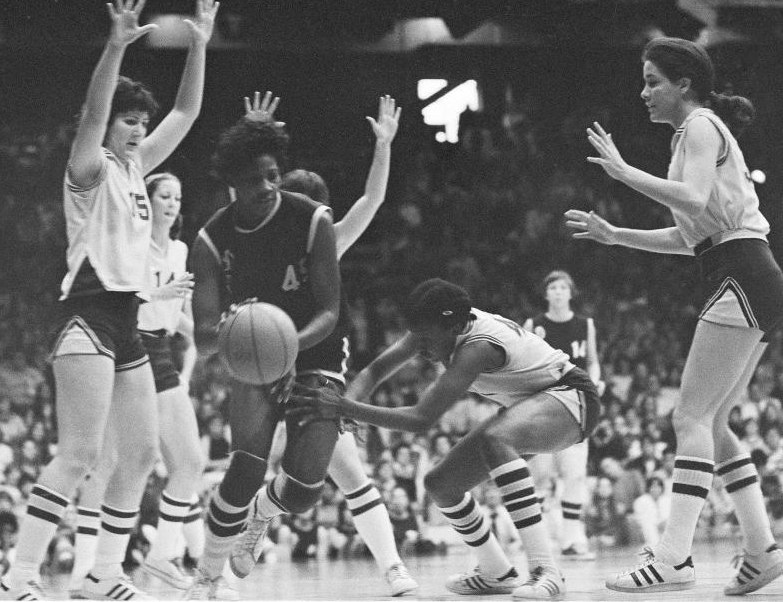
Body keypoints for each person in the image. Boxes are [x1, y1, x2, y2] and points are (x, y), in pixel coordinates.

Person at [1, 0, 217, 601]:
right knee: (78, 454)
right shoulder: (89, 169)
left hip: (129, 322)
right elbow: (95, 112)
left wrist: (199, 46)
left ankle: (104, 573)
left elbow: (187, 115)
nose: (137, 129)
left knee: (143, 455)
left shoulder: (136, 168)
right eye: (130, 120)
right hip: (87, 318)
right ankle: (19, 575)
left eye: (140, 123)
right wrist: (115, 47)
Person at [565, 36, 783, 595]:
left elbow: (690, 200)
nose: (643, 92)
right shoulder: (692, 137)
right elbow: (691, 235)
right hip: (745, 269)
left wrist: (622, 173)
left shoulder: (700, 126)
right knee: (712, 424)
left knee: (687, 419)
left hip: (741, 270)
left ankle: (673, 559)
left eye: (652, 81)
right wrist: (618, 236)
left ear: (683, 84)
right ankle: (761, 551)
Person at [290, 278, 602, 600]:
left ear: (453, 326)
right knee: (441, 484)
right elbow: (375, 370)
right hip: (531, 404)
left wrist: (343, 405)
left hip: (573, 397)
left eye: (425, 339)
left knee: (497, 440)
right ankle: (496, 570)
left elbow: (421, 419)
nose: (421, 348)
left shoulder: (478, 347)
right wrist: (347, 410)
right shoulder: (436, 324)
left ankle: (545, 570)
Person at [262, 93, 418, 596]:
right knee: (306, 483)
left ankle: (394, 569)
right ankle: (229, 546)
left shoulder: (331, 244)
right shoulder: (259, 253)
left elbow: (370, 201)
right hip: (274, 378)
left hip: (319, 380)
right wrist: (258, 137)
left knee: (350, 478)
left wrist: (384, 147)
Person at [185, 103, 342, 601]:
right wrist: (236, 328)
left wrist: (287, 347)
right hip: (252, 363)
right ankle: (207, 578)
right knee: (246, 467)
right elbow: (204, 336)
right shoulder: (211, 241)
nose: (270, 185)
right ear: (233, 182)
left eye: (274, 174)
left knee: (304, 489)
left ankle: (261, 516)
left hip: (315, 354)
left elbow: (330, 311)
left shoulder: (313, 220)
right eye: (257, 179)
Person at [67, 172, 204, 596]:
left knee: (189, 463)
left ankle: (162, 555)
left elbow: (178, 317)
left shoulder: (180, 251)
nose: (172, 203)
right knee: (106, 462)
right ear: (146, 200)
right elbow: (122, 296)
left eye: (178, 196)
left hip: (159, 348)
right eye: (164, 194)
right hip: (128, 344)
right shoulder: (132, 244)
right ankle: (86, 569)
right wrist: (161, 297)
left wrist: (211, 333)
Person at [523, 270, 603, 560]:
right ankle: (539, 543)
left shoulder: (586, 325)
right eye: (552, 287)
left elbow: (593, 363)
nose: (557, 292)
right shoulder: (534, 325)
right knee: (541, 477)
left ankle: (572, 539)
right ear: (546, 295)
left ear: (571, 293)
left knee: (575, 475)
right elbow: (522, 362)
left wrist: (594, 381)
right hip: (541, 406)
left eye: (562, 287)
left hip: (576, 405)